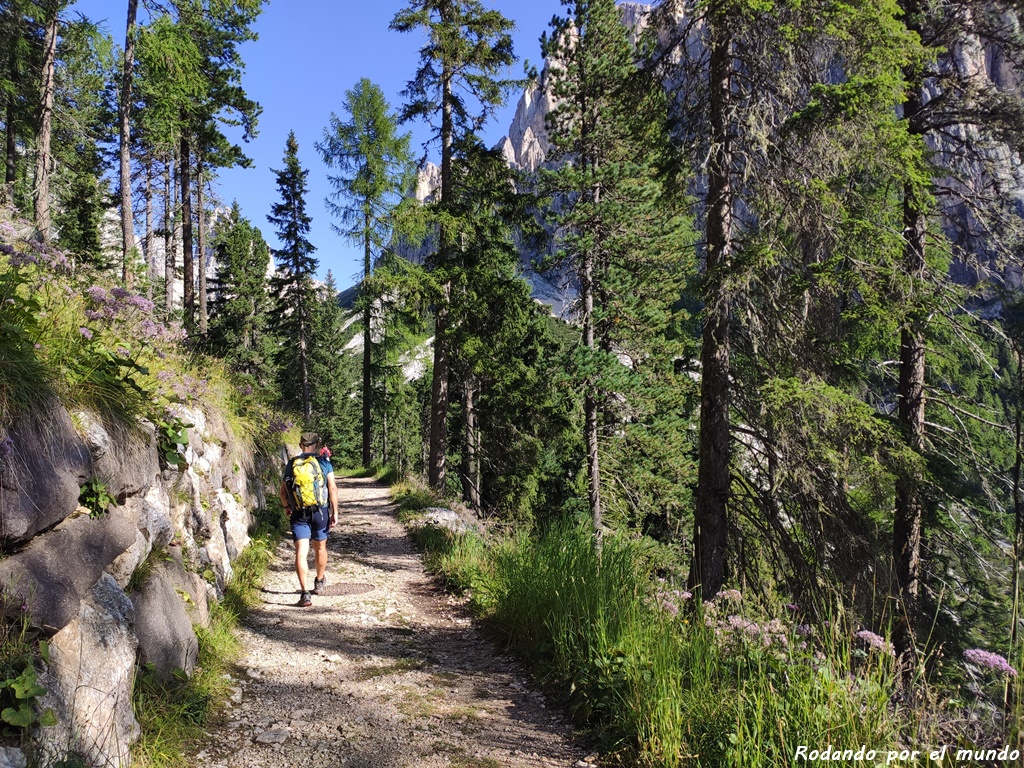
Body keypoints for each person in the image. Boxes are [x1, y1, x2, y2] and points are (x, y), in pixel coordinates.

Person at [279, 432, 338, 607]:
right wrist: (335, 512)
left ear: (300, 444)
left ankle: (305, 594)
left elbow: (283, 492)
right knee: (320, 547)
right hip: (320, 512)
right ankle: (319, 581)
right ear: (317, 445)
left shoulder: (292, 464)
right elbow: (332, 488)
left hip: (298, 513)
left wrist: (287, 507)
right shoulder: (323, 463)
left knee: (301, 552)